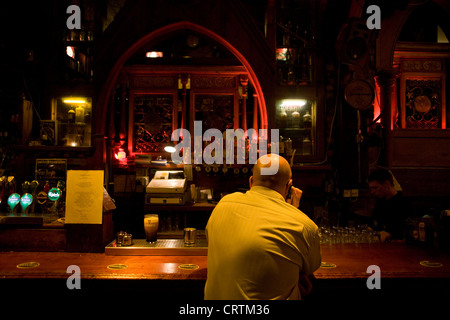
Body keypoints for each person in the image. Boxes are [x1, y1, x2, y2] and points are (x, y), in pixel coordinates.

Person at [204, 154, 321, 300]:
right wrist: (293, 210)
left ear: (251, 181)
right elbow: (310, 267)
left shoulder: (223, 204)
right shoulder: (303, 225)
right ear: (289, 186)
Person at [368, 168, 410, 242]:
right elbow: (372, 226)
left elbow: (390, 233)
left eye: (375, 188)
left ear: (386, 184)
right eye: (371, 188)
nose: (372, 192)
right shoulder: (380, 201)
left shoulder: (401, 204)